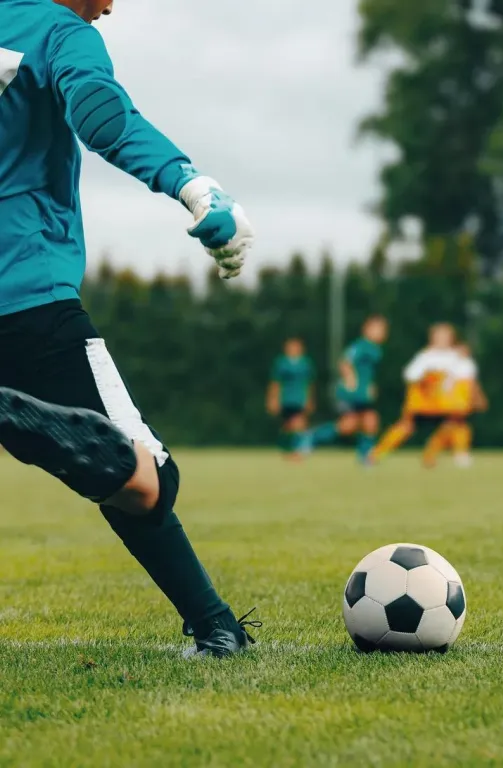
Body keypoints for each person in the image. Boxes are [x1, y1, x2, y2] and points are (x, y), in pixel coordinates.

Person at [0, 0, 258, 656]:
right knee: (147, 479)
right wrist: (193, 186)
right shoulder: (58, 32)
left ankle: (216, 623)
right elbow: (101, 114)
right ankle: (214, 625)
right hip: (28, 299)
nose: (111, 5)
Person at [303, 315, 388, 463]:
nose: (381, 332)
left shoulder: (376, 350)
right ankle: (312, 437)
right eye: (377, 329)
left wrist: (371, 386)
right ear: (366, 329)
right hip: (350, 394)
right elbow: (345, 362)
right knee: (356, 423)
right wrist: (351, 379)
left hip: (362, 394)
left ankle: (365, 458)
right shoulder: (360, 345)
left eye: (383, 329)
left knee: (364, 422)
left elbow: (367, 373)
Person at [370, 323, 458, 464]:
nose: (443, 340)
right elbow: (410, 375)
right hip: (421, 402)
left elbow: (455, 380)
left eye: (446, 337)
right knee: (405, 427)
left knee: (450, 427)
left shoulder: (454, 357)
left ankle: (430, 456)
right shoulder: (426, 356)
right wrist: (426, 378)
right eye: (439, 336)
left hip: (441, 403)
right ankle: (376, 454)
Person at [424, 342, 487, 468]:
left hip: (463, 399)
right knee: (455, 424)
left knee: (457, 425)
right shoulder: (450, 362)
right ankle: (449, 453)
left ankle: (456, 452)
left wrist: (478, 398)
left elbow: (472, 383)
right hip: (453, 399)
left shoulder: (469, 364)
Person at [267, 338, 316, 461]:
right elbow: (275, 383)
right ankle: (286, 449)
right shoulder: (281, 363)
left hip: (300, 399)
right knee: (287, 426)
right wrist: (272, 399)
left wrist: (310, 399)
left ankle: (298, 451)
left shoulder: (306, 363)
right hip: (286, 399)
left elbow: (309, 384)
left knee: (299, 424)